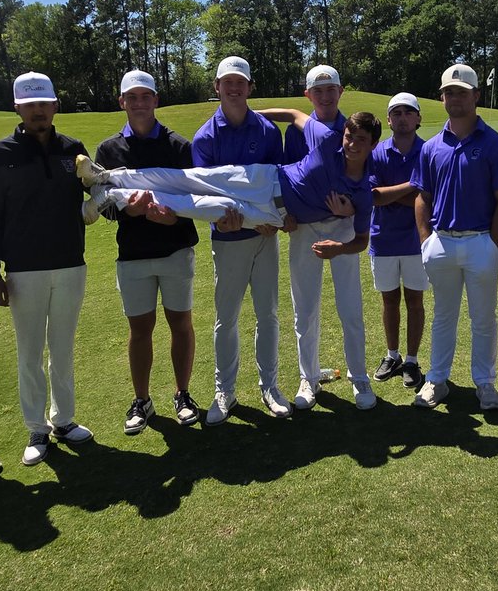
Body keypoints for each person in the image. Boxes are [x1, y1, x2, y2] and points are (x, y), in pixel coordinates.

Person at [79, 108, 383, 412]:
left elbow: (360, 241)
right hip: (265, 179)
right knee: (193, 179)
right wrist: (254, 111)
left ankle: (113, 196)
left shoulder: (362, 191)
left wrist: (337, 248)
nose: (351, 144)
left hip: (270, 215)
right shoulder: (329, 140)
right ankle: (108, 177)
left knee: (202, 207)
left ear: (372, 145)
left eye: (361, 140)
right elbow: (293, 114)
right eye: (349, 136)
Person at [0, 72, 94, 467]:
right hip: (24, 270)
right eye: (30, 105)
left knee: (62, 349)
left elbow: (97, 190)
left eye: (44, 103)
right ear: (18, 108)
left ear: (55, 105)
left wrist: (98, 198)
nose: (38, 111)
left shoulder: (72, 150)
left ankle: (63, 420)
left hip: (70, 264)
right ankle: (36, 428)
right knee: (29, 352)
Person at [93, 69, 201, 435]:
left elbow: (194, 202)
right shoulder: (108, 150)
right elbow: (102, 204)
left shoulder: (179, 147)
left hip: (175, 250)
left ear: (156, 100)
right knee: (140, 330)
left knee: (180, 325)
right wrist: (130, 210)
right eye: (132, 97)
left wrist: (170, 219)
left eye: (146, 96)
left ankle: (182, 394)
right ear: (122, 102)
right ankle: (142, 400)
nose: (139, 103)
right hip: (133, 255)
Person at [411, 64, 498, 410]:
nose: (455, 97)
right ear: (442, 97)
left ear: (475, 95)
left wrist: (492, 242)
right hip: (440, 242)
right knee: (443, 315)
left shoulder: (493, 143)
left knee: (483, 317)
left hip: (480, 242)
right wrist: (426, 240)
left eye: (462, 91)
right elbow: (422, 197)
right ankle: (436, 379)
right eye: (449, 92)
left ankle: (485, 383)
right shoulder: (431, 147)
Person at [190, 55, 291, 425]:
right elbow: (205, 194)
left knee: (268, 315)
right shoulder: (205, 137)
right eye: (227, 83)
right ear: (217, 87)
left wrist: (273, 220)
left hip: (265, 237)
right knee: (226, 319)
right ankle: (225, 391)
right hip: (228, 239)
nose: (234, 89)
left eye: (240, 83)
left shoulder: (266, 131)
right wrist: (237, 217)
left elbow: (276, 185)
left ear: (249, 87)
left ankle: (270, 387)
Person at [285, 65, 352, 387]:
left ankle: (359, 376)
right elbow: (289, 176)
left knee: (350, 305)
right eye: (318, 91)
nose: (325, 96)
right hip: (304, 227)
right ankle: (307, 378)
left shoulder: (352, 128)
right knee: (305, 308)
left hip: (344, 224)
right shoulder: (296, 132)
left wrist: (351, 206)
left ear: (340, 91)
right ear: (308, 95)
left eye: (331, 90)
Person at [368, 93, 428, 390]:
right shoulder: (377, 153)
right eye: (396, 113)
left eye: (408, 112)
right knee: (389, 300)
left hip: (418, 240)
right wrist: (413, 188)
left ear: (418, 118)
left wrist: (396, 195)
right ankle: (392, 355)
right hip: (384, 239)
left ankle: (412, 361)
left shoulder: (429, 152)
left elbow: (429, 200)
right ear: (389, 120)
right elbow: (373, 196)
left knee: (415, 301)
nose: (402, 117)